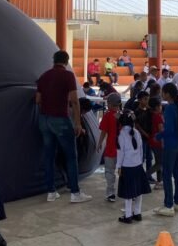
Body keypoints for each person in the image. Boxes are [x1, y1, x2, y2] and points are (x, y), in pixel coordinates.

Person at [36, 51, 92, 203]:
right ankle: (75, 192)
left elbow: (38, 100)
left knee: (48, 155)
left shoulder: (44, 76)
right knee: (70, 156)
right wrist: (78, 123)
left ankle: (51, 192)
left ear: (53, 60)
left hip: (44, 119)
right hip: (60, 118)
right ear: (66, 61)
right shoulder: (67, 76)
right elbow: (74, 100)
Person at [153, 83, 178, 216]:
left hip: (170, 145)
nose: (162, 94)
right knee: (177, 173)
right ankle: (177, 202)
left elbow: (168, 129)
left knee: (167, 174)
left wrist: (158, 135)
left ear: (168, 94)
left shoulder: (168, 109)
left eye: (163, 92)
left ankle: (168, 205)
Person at [116, 110, 152, 223]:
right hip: (138, 165)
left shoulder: (121, 134)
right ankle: (137, 213)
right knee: (138, 191)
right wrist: (140, 162)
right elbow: (141, 150)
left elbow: (120, 153)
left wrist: (118, 166)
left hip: (127, 167)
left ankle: (128, 216)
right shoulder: (136, 132)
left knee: (128, 193)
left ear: (121, 123)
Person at [98, 93, 121, 203]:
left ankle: (111, 193)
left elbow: (103, 131)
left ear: (110, 104)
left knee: (109, 171)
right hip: (122, 149)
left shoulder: (107, 116)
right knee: (122, 171)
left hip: (111, 148)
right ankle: (125, 191)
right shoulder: (123, 115)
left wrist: (99, 143)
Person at [134, 91, 154, 181]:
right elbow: (137, 126)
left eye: (147, 99)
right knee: (142, 157)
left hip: (148, 137)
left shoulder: (149, 111)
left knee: (149, 157)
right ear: (139, 100)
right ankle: (141, 175)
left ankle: (148, 175)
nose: (147, 101)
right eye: (145, 99)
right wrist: (144, 133)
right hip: (142, 138)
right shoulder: (136, 112)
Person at [149, 97, 164, 190]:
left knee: (159, 162)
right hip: (158, 143)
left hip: (152, 141)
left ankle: (159, 181)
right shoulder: (158, 116)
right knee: (160, 163)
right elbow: (161, 131)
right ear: (157, 107)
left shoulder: (151, 115)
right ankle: (144, 175)